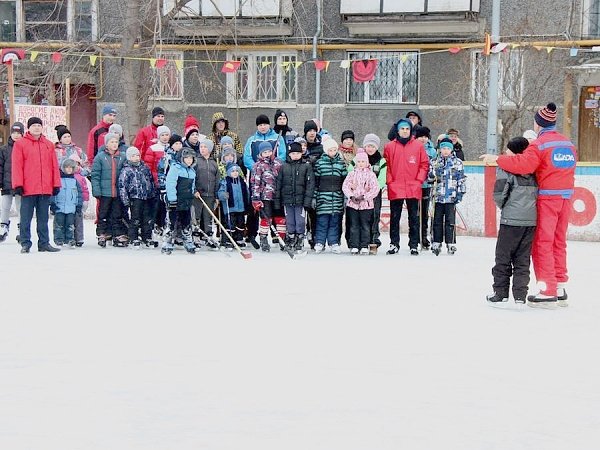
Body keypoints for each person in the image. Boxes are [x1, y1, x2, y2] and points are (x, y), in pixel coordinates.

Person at [480, 102, 577, 307]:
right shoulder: (567, 144)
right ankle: (559, 286)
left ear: (538, 124)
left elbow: (524, 164)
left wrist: (497, 159)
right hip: (566, 197)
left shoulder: (539, 145)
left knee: (542, 242)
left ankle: (547, 290)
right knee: (558, 242)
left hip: (547, 199)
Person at [486, 137, 537, 304]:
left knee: (503, 258)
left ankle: (500, 293)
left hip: (510, 222)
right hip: (530, 222)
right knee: (522, 260)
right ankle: (520, 295)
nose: (506, 152)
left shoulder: (506, 169)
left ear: (515, 152)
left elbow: (499, 195)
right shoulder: (534, 170)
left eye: (509, 150)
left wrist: (506, 208)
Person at [11, 117, 61, 253]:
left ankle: (44, 243)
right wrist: (18, 184)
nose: (37, 128)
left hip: (45, 188)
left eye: (39, 125)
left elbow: (54, 166)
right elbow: (17, 166)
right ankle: (25, 243)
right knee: (25, 218)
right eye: (34, 126)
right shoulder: (20, 144)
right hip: (28, 188)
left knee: (43, 218)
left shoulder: (48, 144)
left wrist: (56, 184)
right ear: (29, 128)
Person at [383, 118, 429, 255]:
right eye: (402, 129)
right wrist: (390, 181)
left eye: (407, 129)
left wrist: (419, 180)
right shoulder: (389, 146)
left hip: (413, 186)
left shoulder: (418, 146)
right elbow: (386, 165)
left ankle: (413, 244)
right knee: (395, 217)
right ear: (398, 130)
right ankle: (394, 243)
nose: (405, 131)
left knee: (414, 217)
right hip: (396, 186)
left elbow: (424, 164)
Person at [347, 133, 386, 248]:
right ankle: (355, 242)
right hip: (357, 194)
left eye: (373, 146)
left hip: (373, 195)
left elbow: (382, 178)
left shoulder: (381, 161)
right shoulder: (358, 159)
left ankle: (373, 240)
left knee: (374, 217)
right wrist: (353, 185)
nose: (370, 148)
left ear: (377, 147)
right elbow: (350, 170)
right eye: (368, 146)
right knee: (356, 219)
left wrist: (373, 189)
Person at [428, 138, 466, 256]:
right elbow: (429, 179)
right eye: (443, 148)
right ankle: (436, 241)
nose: (445, 151)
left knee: (450, 220)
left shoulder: (457, 162)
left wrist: (460, 193)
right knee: (437, 220)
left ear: (451, 149)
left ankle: (451, 242)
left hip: (451, 197)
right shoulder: (434, 162)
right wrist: (432, 176)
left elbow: (461, 179)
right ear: (440, 149)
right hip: (438, 197)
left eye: (448, 148)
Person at [275, 141, 314, 252]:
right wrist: (278, 201)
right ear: (289, 154)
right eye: (293, 153)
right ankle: (291, 237)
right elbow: (279, 184)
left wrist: (307, 201)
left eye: (298, 153)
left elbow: (310, 185)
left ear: (301, 153)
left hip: (300, 201)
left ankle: (300, 238)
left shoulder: (306, 166)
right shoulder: (284, 167)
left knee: (300, 221)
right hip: (287, 200)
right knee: (290, 221)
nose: (295, 155)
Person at [91, 132, 128, 247]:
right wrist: (96, 190)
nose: (114, 144)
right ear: (106, 144)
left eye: (116, 142)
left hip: (117, 192)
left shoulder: (122, 156)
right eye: (111, 142)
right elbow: (95, 175)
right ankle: (102, 233)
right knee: (103, 213)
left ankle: (117, 234)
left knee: (117, 214)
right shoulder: (100, 157)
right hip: (105, 192)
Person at [342, 149, 380, 255]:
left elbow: (375, 189)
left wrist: (365, 197)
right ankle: (354, 245)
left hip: (366, 205)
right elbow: (345, 186)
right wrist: (351, 196)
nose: (361, 164)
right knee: (354, 225)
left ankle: (364, 245)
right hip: (353, 205)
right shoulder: (351, 174)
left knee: (365, 225)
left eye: (363, 161)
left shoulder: (371, 175)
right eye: (359, 162)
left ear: (367, 162)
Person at [118, 146, 158, 248]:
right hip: (135, 198)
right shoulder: (126, 170)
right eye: (133, 156)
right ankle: (133, 237)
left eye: (138, 155)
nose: (136, 157)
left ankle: (147, 237)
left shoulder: (144, 168)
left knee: (147, 218)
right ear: (129, 157)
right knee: (135, 218)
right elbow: (122, 185)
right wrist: (125, 199)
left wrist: (152, 194)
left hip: (146, 197)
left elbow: (150, 181)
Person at [249, 142, 285, 252]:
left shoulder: (278, 162)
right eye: (265, 152)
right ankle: (263, 238)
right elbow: (255, 183)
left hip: (278, 195)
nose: (268, 154)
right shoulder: (258, 166)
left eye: (269, 151)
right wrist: (256, 198)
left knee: (280, 218)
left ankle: (282, 239)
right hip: (265, 196)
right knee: (266, 218)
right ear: (261, 153)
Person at [313, 138, 347, 253]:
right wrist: (314, 197)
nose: (333, 152)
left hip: (337, 198)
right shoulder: (319, 164)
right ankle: (319, 242)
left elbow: (344, 182)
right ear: (326, 151)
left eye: (334, 150)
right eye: (330, 150)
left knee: (334, 223)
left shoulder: (340, 164)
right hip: (323, 198)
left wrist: (345, 197)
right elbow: (316, 183)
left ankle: (334, 243)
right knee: (322, 222)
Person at [163, 148, 198, 254]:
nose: (189, 160)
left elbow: (192, 185)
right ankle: (168, 241)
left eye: (191, 158)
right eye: (186, 158)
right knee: (172, 222)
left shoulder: (192, 171)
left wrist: (192, 193)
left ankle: (187, 240)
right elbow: (170, 183)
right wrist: (172, 199)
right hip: (175, 201)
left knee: (186, 222)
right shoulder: (175, 168)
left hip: (186, 201)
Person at [50, 158, 83, 247]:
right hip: (59, 207)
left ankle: (70, 239)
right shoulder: (58, 180)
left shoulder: (75, 181)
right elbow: (53, 193)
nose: (69, 169)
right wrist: (52, 204)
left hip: (71, 207)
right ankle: (59, 240)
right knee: (59, 224)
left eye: (71, 168)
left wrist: (79, 205)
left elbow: (79, 194)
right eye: (67, 167)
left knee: (70, 224)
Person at [0, 122, 24, 242]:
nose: (16, 135)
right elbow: (0, 166)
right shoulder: (4, 149)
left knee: (21, 207)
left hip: (20, 184)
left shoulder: (25, 147)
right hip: (7, 183)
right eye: (14, 133)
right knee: (5, 207)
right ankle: (3, 227)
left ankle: (22, 229)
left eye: (19, 133)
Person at [414, 126, 437, 250]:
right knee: (415, 213)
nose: (423, 139)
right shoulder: (413, 148)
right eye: (420, 137)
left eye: (425, 137)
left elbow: (433, 165)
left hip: (426, 184)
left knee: (424, 212)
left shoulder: (432, 151)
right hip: (414, 184)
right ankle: (415, 237)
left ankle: (424, 236)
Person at [194, 139, 220, 244]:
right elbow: (193, 177)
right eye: (201, 147)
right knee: (196, 215)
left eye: (205, 147)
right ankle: (195, 235)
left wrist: (217, 195)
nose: (202, 149)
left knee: (208, 216)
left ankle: (208, 235)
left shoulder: (214, 163)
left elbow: (217, 180)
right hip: (198, 195)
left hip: (210, 195)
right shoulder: (196, 161)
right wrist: (194, 190)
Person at [217, 163, 249, 249]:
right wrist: (223, 195)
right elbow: (220, 193)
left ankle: (239, 239)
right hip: (230, 208)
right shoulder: (225, 182)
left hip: (241, 207)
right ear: (228, 172)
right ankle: (227, 240)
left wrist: (248, 202)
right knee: (230, 224)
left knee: (240, 224)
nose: (235, 173)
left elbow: (247, 192)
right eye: (233, 171)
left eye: (236, 171)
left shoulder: (242, 182)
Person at [68, 153, 90, 247]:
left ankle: (79, 238)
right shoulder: (66, 176)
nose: (75, 166)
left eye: (77, 164)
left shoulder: (81, 177)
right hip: (68, 203)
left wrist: (85, 201)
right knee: (69, 221)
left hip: (79, 202)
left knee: (78, 221)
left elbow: (85, 190)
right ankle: (70, 238)